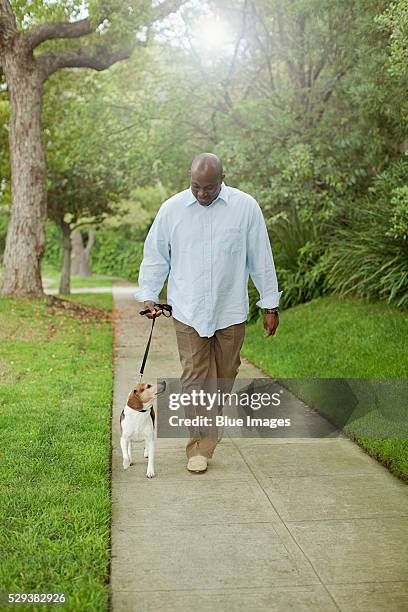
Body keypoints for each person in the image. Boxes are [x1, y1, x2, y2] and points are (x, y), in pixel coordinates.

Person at [135, 153, 281, 473]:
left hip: (230, 310)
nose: (202, 194)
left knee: (225, 375)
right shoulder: (172, 209)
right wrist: (149, 295)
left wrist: (270, 304)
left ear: (222, 179)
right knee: (194, 379)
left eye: (209, 188)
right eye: (196, 186)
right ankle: (199, 446)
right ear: (190, 179)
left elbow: (261, 258)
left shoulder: (245, 208)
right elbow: (156, 255)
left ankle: (206, 432)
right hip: (187, 309)